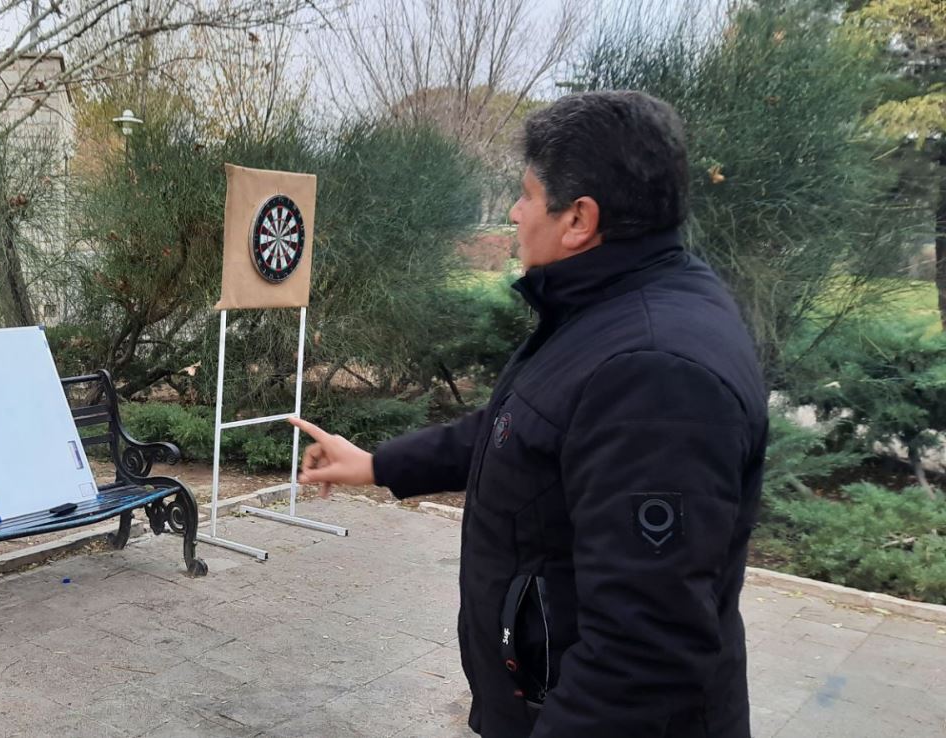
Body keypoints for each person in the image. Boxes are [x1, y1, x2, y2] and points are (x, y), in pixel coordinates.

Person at [290, 90, 767, 738]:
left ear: (579, 219)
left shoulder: (654, 373)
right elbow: (520, 430)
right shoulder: (611, 312)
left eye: (526, 194)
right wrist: (379, 465)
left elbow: (639, 660)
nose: (514, 213)